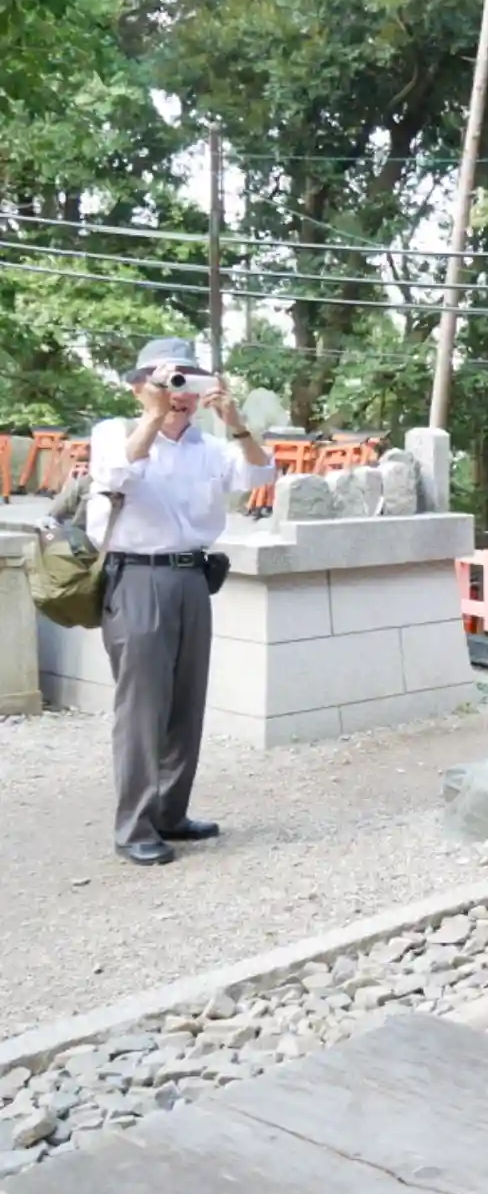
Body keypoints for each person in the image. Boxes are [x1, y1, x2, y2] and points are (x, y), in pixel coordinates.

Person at [86, 337, 279, 866]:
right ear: (138, 387)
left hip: (193, 577)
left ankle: (171, 812)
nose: (180, 393)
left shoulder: (209, 447)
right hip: (137, 576)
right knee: (142, 709)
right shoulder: (114, 433)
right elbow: (116, 475)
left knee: (185, 704)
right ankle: (135, 826)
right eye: (167, 380)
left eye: (188, 382)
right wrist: (153, 417)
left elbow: (261, 475)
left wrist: (236, 422)